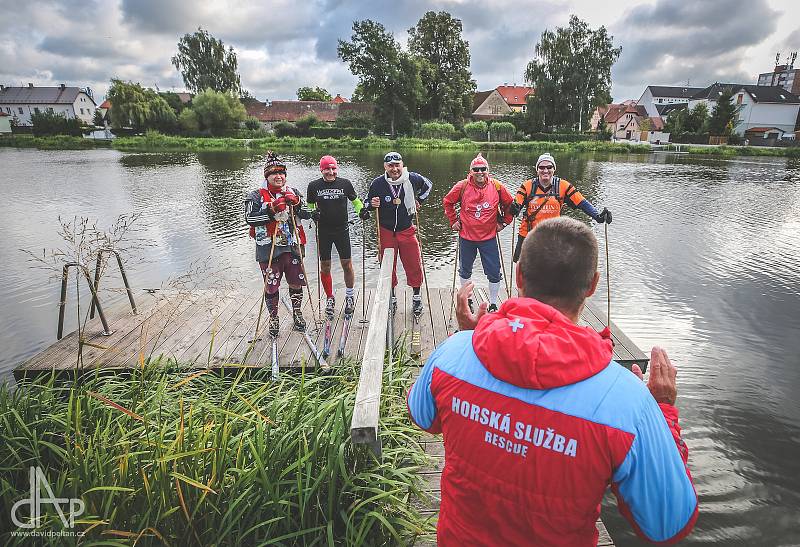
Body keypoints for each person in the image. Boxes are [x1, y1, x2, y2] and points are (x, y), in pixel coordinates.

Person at [407, 217, 698, 546]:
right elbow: (667, 522)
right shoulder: (628, 402)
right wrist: (663, 413)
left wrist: (467, 341)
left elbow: (424, 417)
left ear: (518, 277)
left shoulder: (453, 354)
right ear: (592, 285)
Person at [245, 151, 312, 336]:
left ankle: (297, 313)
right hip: (269, 249)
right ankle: (273, 318)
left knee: (296, 282)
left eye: (282, 173)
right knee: (271, 285)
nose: (278, 176)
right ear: (267, 176)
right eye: (274, 173)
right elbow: (249, 218)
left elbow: (307, 213)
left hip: (293, 246)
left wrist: (296, 203)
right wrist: (272, 209)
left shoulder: (294, 192)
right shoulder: (256, 196)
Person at [359, 151, 432, 315]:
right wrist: (371, 204)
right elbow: (366, 202)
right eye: (390, 166)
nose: (394, 169)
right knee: (387, 267)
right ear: (385, 167)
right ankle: (391, 297)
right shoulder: (378, 183)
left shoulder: (412, 178)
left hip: (407, 229)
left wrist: (419, 200)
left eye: (397, 165)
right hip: (386, 231)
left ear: (402, 164)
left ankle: (416, 297)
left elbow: (428, 185)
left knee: (413, 264)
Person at [443, 153, 514, 313]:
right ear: (470, 171)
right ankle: (467, 299)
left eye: (483, 169)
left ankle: (494, 303)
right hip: (466, 236)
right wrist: (453, 220)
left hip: (488, 237)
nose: (480, 172)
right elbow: (448, 202)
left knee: (494, 272)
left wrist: (504, 222)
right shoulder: (462, 186)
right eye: (476, 169)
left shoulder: (497, 186)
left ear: (488, 170)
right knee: (465, 269)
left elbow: (510, 204)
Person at [510, 152, 612, 262]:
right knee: (524, 270)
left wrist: (597, 216)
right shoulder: (527, 186)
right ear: (537, 169)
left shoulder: (563, 186)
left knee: (552, 270)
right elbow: (517, 204)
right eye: (541, 167)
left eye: (549, 167)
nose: (545, 170)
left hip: (553, 236)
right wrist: (514, 208)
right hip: (528, 234)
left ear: (554, 169)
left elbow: (582, 203)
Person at [306, 155, 365, 318]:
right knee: (325, 266)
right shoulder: (313, 186)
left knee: (347, 264)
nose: (331, 172)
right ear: (321, 170)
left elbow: (356, 201)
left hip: (342, 230)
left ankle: (350, 295)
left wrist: (362, 211)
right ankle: (330, 298)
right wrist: (313, 214)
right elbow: (309, 206)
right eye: (327, 169)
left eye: (333, 168)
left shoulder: (345, 183)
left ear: (336, 169)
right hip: (323, 231)